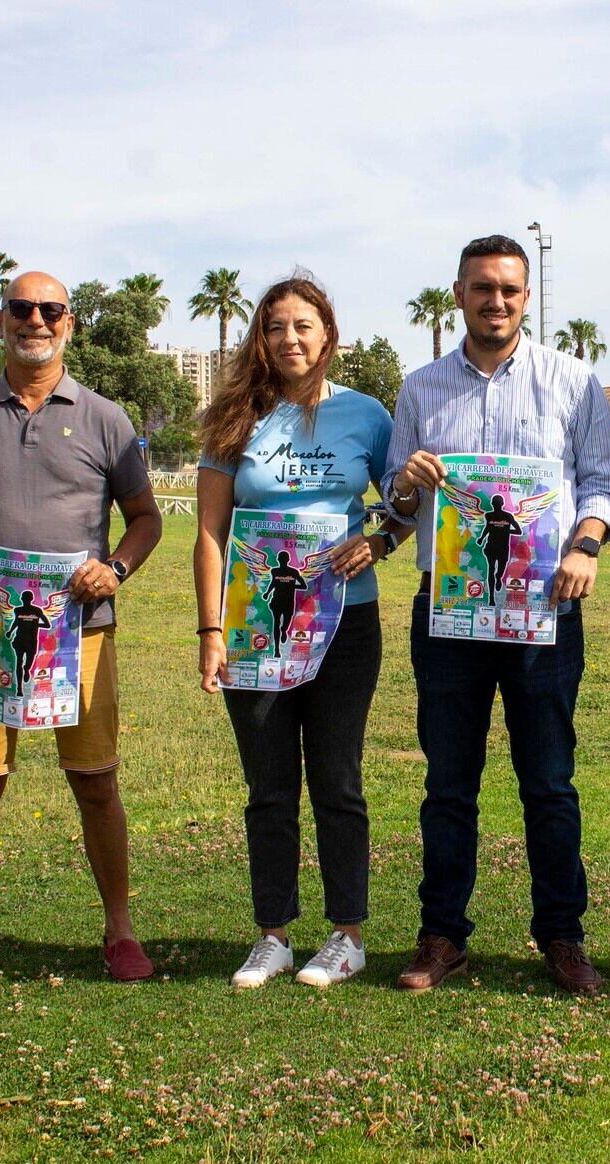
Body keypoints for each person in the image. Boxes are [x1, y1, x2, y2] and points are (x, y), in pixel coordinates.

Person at [0, 270, 164, 993]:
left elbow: (147, 520)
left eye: (50, 310)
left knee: (96, 782)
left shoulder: (105, 418)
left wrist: (114, 568)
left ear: (70, 323)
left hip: (79, 635)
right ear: (1, 320)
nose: (36, 320)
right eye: (22, 308)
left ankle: (119, 930)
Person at [382, 234, 610, 995]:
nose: (496, 301)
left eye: (510, 290)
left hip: (543, 614)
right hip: (449, 617)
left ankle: (562, 934)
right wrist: (409, 483)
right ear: (458, 293)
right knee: (449, 781)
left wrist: (586, 544)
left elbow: (601, 483)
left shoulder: (573, 382)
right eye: (482, 288)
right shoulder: (420, 389)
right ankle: (442, 934)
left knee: (548, 779)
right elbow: (395, 500)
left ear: (527, 296)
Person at [193, 273, 410, 990]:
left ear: (328, 334)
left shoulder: (368, 414)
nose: (290, 339)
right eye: (277, 327)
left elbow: (402, 506)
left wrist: (377, 542)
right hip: (257, 626)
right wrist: (211, 630)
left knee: (338, 778)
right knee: (269, 784)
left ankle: (347, 934)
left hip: (346, 621)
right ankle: (274, 935)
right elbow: (210, 534)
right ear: (263, 337)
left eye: (304, 326)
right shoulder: (234, 416)